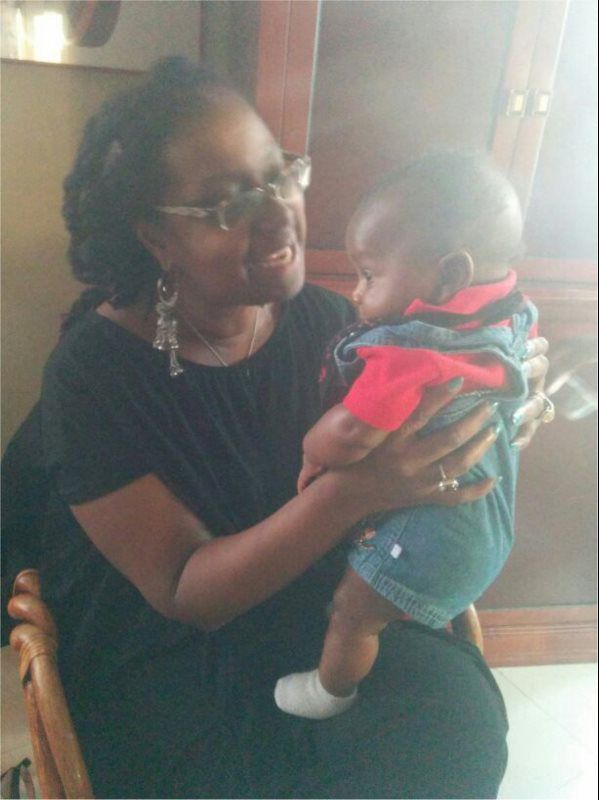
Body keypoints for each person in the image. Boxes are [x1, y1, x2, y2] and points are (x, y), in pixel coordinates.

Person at [10, 57, 550, 798]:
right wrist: (353, 493)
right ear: (155, 237)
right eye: (227, 203)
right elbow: (183, 589)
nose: (277, 215)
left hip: (326, 605)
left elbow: (428, 435)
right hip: (171, 642)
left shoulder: (336, 326)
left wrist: (494, 400)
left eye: (277, 174)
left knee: (448, 730)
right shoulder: (93, 376)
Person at [275, 152, 538, 720]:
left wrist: (310, 447)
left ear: (449, 276)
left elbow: (350, 434)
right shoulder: (509, 314)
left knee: (352, 612)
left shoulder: (411, 352)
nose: (356, 293)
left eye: (368, 275)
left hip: (430, 538)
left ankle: (329, 692)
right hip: (486, 528)